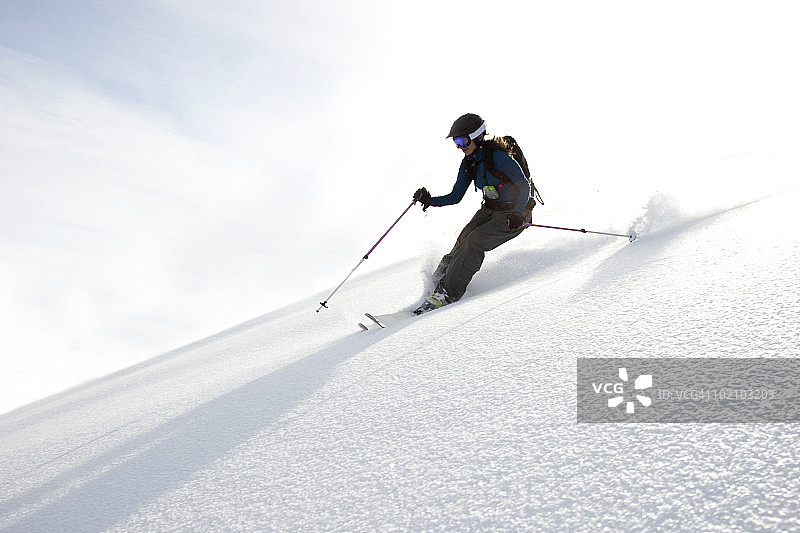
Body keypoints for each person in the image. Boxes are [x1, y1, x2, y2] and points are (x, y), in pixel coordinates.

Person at [412, 113, 533, 315]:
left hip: (514, 215)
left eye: (462, 140)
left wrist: (520, 213)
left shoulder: (498, 156)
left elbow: (524, 185)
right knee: (462, 241)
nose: (459, 146)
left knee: (474, 242)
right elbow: (455, 196)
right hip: (489, 210)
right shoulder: (469, 163)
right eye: (455, 142)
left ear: (476, 136)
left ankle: (447, 294)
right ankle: (435, 288)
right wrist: (429, 200)